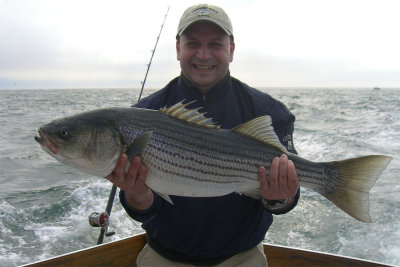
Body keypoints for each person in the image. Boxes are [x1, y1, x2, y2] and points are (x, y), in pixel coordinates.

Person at [106, 4, 300, 266]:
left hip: (243, 259)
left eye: (216, 44)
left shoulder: (267, 111)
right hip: (163, 257)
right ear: (178, 49)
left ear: (231, 50)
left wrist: (279, 196)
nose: (204, 54)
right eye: (193, 43)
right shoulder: (143, 114)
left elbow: (286, 200)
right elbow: (141, 210)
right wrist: (137, 193)